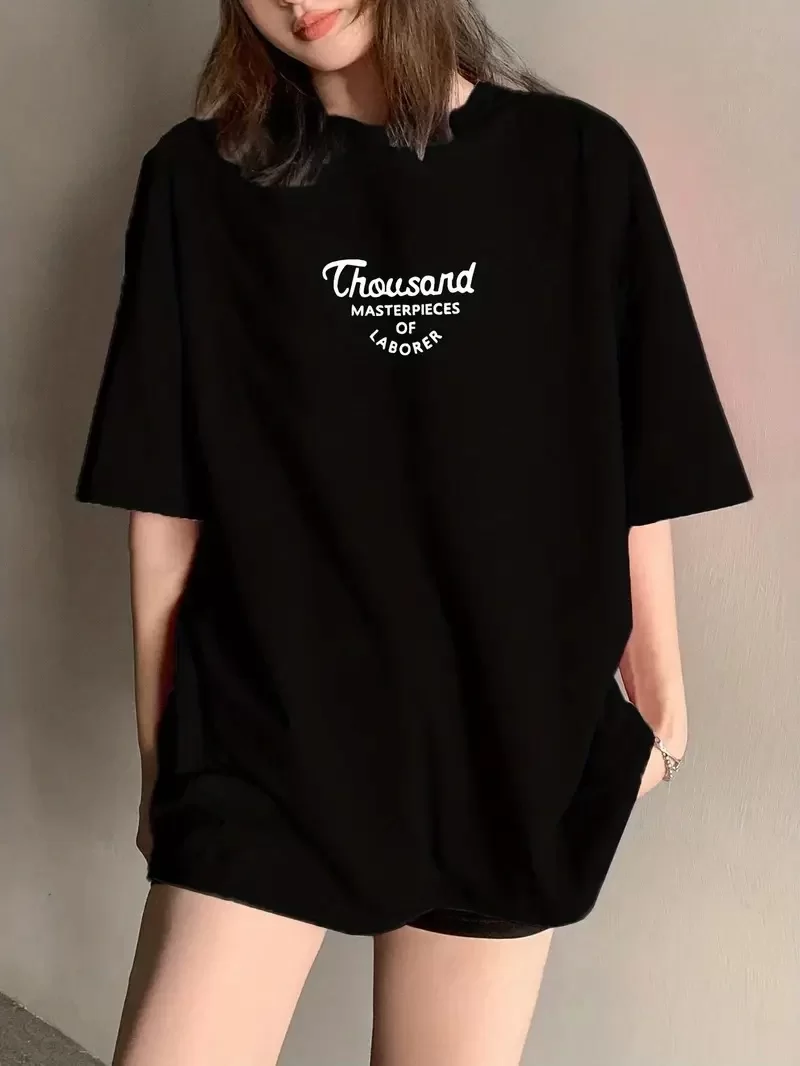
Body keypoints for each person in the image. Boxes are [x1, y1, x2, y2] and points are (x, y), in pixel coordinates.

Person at [74, 1, 754, 1063]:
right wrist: (162, 758)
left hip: (505, 738)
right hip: (266, 737)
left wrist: (662, 708)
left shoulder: (576, 162)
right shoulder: (199, 182)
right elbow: (164, 499)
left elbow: (635, 449)